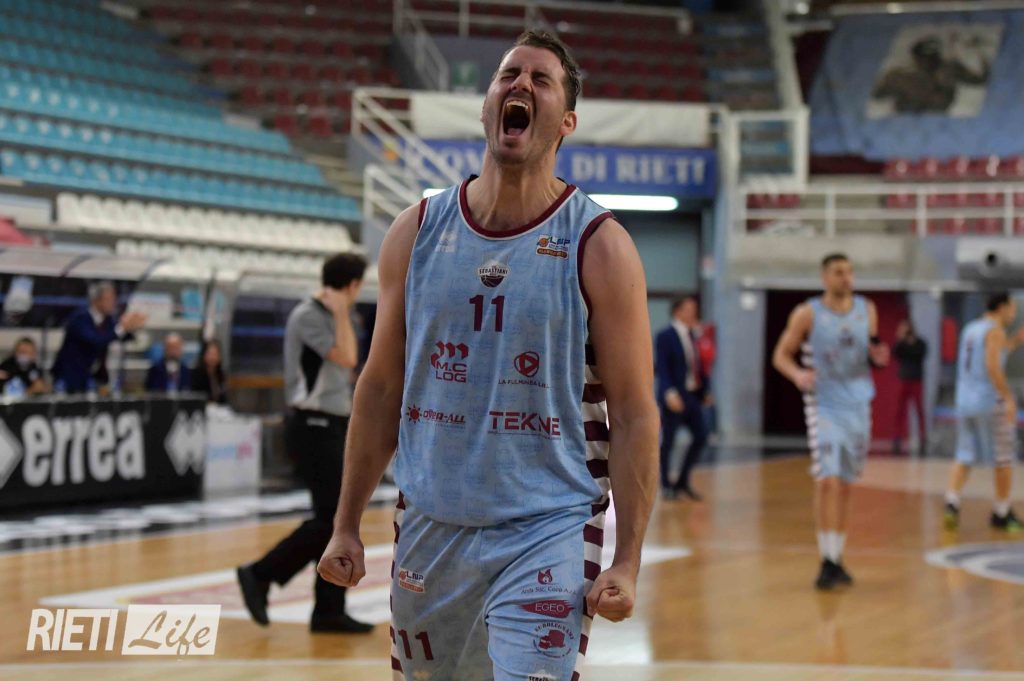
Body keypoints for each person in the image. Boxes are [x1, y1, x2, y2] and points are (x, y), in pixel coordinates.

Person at [316, 30, 659, 680]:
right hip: (430, 526)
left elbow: (636, 412)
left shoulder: (599, 243)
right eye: (509, 75)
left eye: (541, 80)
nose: (521, 85)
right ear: (485, 107)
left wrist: (627, 559)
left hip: (549, 528)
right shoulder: (415, 230)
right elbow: (381, 387)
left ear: (567, 122)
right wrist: (346, 522)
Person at [237, 252, 371, 634]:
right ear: (351, 285)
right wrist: (342, 314)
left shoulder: (337, 317)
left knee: (336, 519)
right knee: (332, 518)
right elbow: (348, 357)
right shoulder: (309, 315)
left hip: (333, 422)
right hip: (312, 424)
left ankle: (328, 609)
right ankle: (261, 573)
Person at [772, 253, 889, 591]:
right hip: (823, 403)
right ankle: (825, 559)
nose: (846, 277)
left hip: (858, 403)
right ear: (825, 277)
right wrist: (798, 374)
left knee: (847, 483)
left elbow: (873, 352)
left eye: (849, 271)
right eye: (839, 272)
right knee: (827, 479)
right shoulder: (807, 313)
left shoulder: (867, 309)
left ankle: (838, 556)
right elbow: (781, 355)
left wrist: (879, 359)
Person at [944, 292, 1024, 532]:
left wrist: (1015, 341)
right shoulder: (995, 330)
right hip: (988, 400)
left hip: (964, 400)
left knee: (964, 453)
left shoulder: (971, 328)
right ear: (1002, 307)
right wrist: (1007, 397)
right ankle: (1002, 511)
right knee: (1004, 456)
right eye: (1012, 308)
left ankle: (951, 502)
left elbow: (989, 354)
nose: (1014, 313)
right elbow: (992, 365)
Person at [655, 295, 709, 501]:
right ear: (677, 311)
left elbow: (699, 365)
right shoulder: (665, 336)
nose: (693, 312)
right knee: (668, 441)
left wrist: (704, 391)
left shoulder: (694, 335)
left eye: (694, 308)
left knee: (701, 435)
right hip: (675, 396)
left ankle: (683, 481)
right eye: (689, 308)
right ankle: (666, 485)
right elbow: (663, 367)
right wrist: (669, 393)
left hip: (692, 395)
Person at [51, 282, 146, 394]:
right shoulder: (80, 318)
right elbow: (97, 340)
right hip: (70, 377)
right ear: (96, 300)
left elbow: (119, 335)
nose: (113, 303)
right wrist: (122, 328)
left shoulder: (107, 320)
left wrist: (131, 327)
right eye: (109, 299)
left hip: (92, 376)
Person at [893, 319, 928, 455]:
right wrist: (900, 339)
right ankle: (897, 439)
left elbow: (921, 353)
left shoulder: (920, 343)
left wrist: (910, 343)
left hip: (916, 380)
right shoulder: (901, 344)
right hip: (904, 379)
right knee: (900, 411)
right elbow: (896, 353)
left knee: (919, 410)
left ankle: (922, 439)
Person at [190, 339, 228, 404]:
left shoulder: (221, 374)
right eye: (210, 354)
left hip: (219, 408)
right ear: (204, 355)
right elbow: (196, 396)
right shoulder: (197, 374)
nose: (212, 357)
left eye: (215, 354)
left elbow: (224, 397)